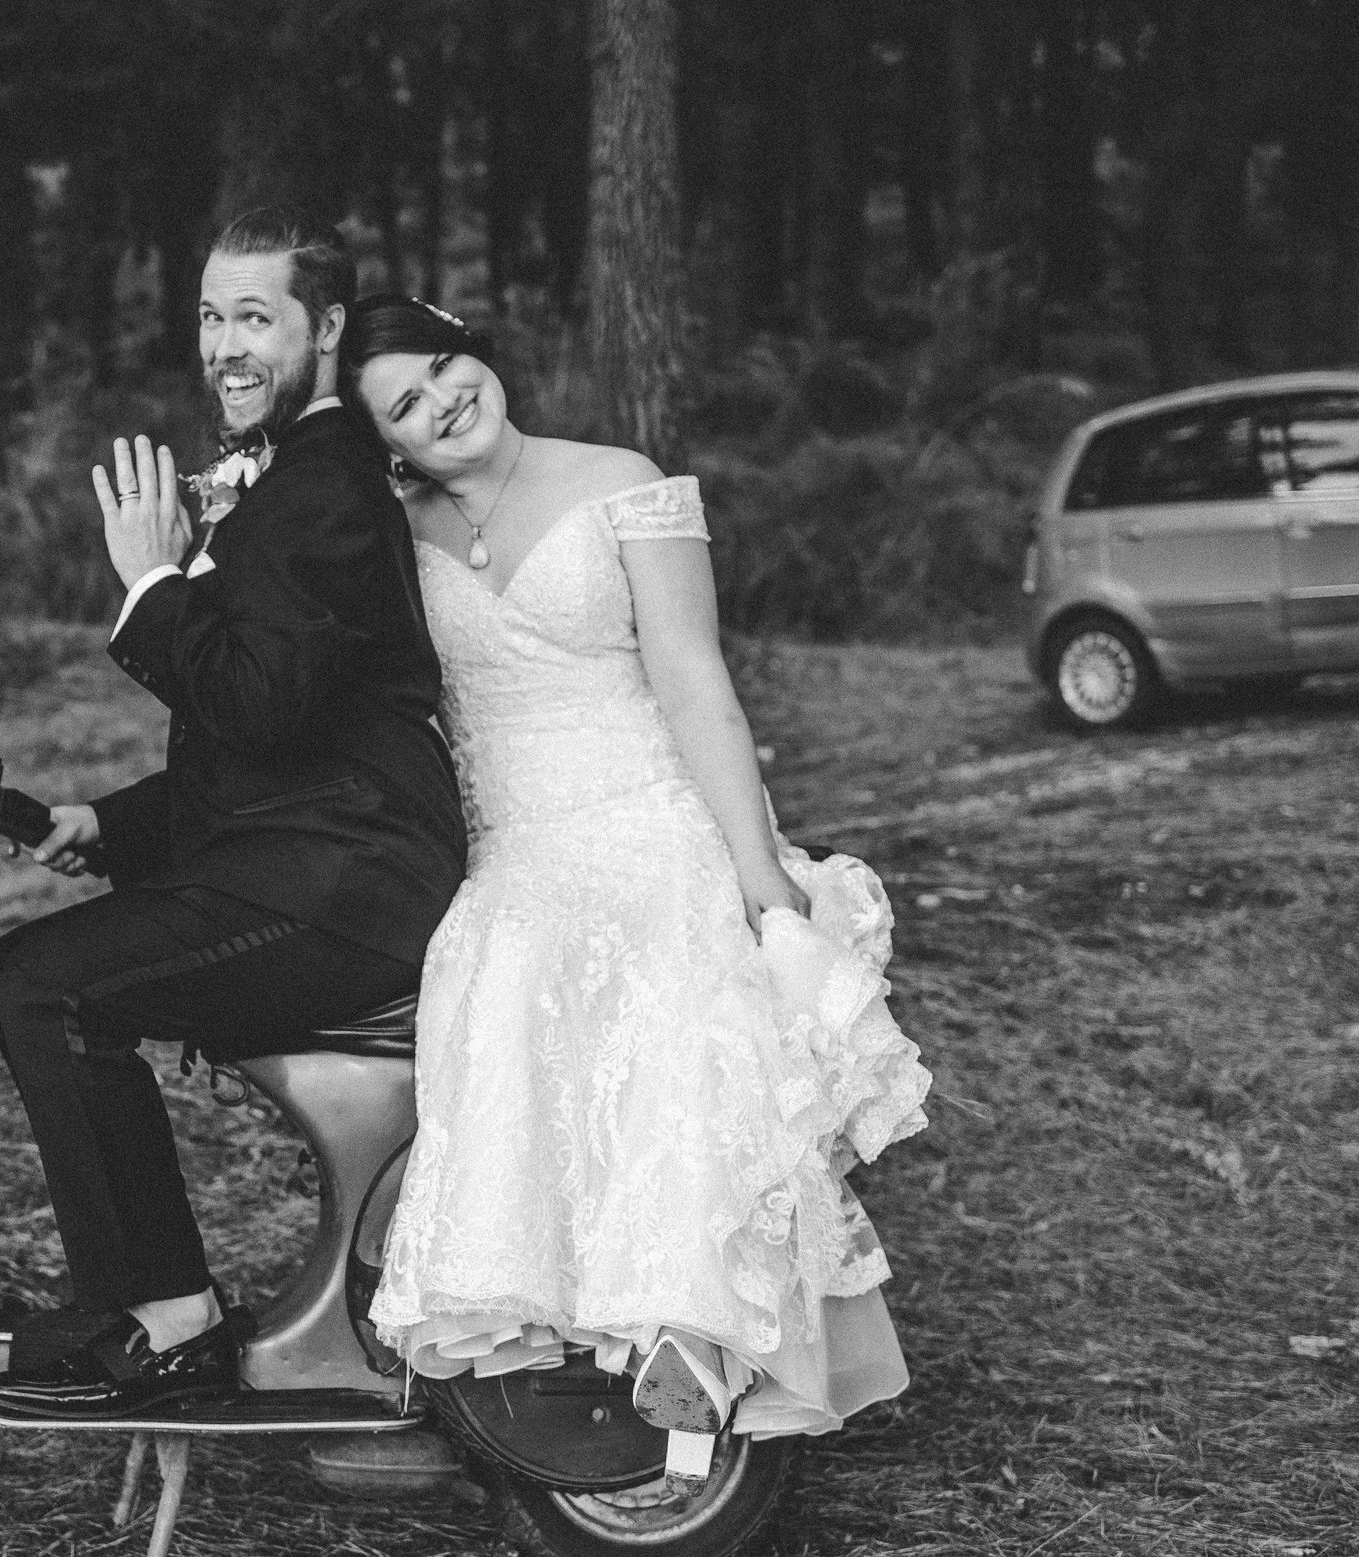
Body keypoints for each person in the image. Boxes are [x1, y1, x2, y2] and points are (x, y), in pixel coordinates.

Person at [340, 295, 930, 1472]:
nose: (444, 400)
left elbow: (693, 677)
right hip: (518, 847)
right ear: (386, 442)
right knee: (506, 983)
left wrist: (756, 873)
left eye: (446, 364)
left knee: (678, 1000)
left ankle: (695, 1332)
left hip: (652, 814)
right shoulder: (388, 540)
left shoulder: (621, 480)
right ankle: (569, 1358)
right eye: (405, 402)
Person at [0, 216, 467, 1419]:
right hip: (314, 859)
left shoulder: (321, 488)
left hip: (343, 889)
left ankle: (163, 1313)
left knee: (42, 985)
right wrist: (114, 824)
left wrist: (151, 579)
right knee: (35, 975)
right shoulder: (298, 479)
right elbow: (285, 736)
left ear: (325, 328)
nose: (225, 346)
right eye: (209, 316)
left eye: (255, 317)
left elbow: (259, 701)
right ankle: (163, 1303)